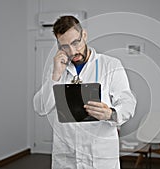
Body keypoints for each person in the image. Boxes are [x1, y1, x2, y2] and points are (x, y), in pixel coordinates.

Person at [33, 15, 136, 169]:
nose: (73, 51)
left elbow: (128, 103)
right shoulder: (57, 69)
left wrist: (110, 113)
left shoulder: (110, 65)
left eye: (76, 43)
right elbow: (41, 107)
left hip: (100, 158)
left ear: (84, 35)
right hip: (67, 158)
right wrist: (55, 76)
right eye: (65, 47)